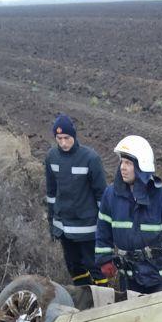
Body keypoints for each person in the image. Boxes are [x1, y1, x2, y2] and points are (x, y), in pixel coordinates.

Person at [95, 135, 162, 294]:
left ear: (141, 167)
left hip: (158, 277)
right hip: (128, 277)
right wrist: (104, 259)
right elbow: (103, 229)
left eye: (128, 163)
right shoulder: (111, 195)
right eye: (122, 162)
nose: (122, 167)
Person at [44, 113, 107, 286]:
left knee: (95, 267)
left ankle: (105, 302)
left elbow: (102, 195)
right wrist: (51, 222)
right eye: (59, 138)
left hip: (88, 229)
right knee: (74, 267)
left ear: (74, 136)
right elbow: (51, 193)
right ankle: (85, 299)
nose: (63, 143)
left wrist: (105, 229)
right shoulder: (51, 157)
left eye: (66, 138)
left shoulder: (90, 158)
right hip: (63, 228)